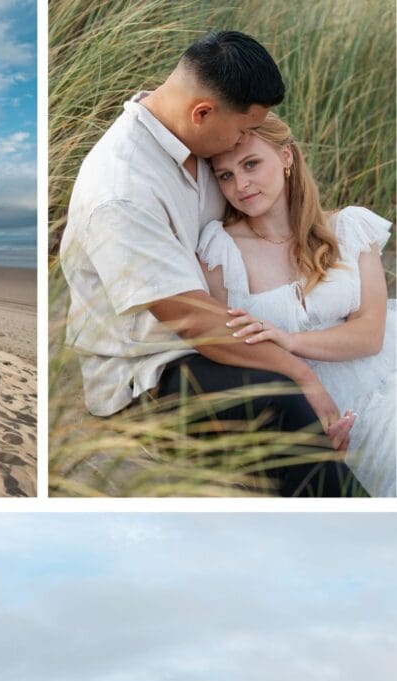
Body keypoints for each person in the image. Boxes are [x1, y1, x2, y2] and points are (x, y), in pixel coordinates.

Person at [59, 30, 366, 496]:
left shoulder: (198, 144)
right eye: (243, 130)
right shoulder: (121, 189)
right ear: (202, 113)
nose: (244, 141)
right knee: (279, 399)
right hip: (150, 375)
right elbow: (192, 321)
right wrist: (300, 374)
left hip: (212, 339)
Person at [198, 111, 395, 496]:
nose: (241, 184)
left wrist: (290, 340)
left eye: (251, 164)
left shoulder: (349, 227)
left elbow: (371, 333)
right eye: (226, 175)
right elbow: (228, 346)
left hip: (380, 381)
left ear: (286, 157)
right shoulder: (221, 249)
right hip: (299, 404)